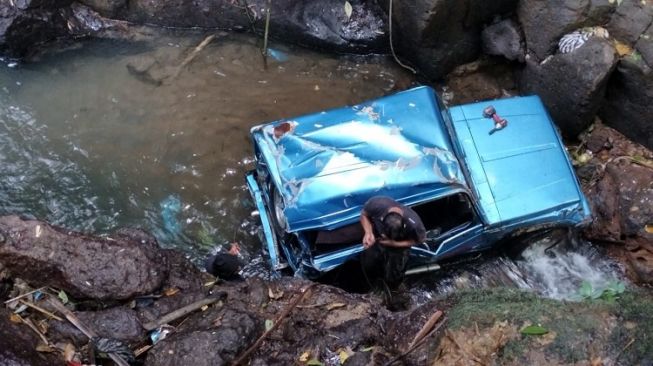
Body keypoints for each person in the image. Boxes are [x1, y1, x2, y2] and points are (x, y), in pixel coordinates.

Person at [359, 196, 426, 292]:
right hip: (378, 239)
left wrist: (394, 243)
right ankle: (373, 286)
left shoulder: (414, 224)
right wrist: (368, 232)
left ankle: (392, 291)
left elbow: (419, 240)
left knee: (394, 274)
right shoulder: (376, 204)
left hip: (399, 246)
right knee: (369, 264)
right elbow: (364, 215)